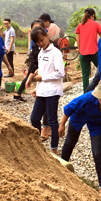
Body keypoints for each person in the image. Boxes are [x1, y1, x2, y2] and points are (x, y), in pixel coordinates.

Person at [29, 26, 65, 155]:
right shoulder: (41, 52)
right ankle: (37, 144)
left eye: (41, 40)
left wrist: (43, 77)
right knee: (34, 118)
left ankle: (54, 149)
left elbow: (60, 73)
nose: (40, 43)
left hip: (53, 91)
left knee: (52, 120)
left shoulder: (56, 53)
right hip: (43, 91)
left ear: (47, 36)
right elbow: (45, 71)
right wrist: (37, 88)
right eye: (37, 42)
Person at [14, 19, 46, 102]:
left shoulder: (47, 44)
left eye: (39, 28)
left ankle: (19, 93)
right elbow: (34, 56)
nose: (36, 30)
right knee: (30, 76)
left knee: (32, 76)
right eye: (34, 28)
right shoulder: (35, 42)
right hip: (35, 61)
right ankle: (18, 93)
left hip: (38, 62)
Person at [75, 8, 101, 92]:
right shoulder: (96, 24)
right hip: (94, 52)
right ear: (93, 15)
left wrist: (80, 51)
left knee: (85, 75)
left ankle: (85, 94)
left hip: (83, 54)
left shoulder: (80, 25)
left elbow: (78, 41)